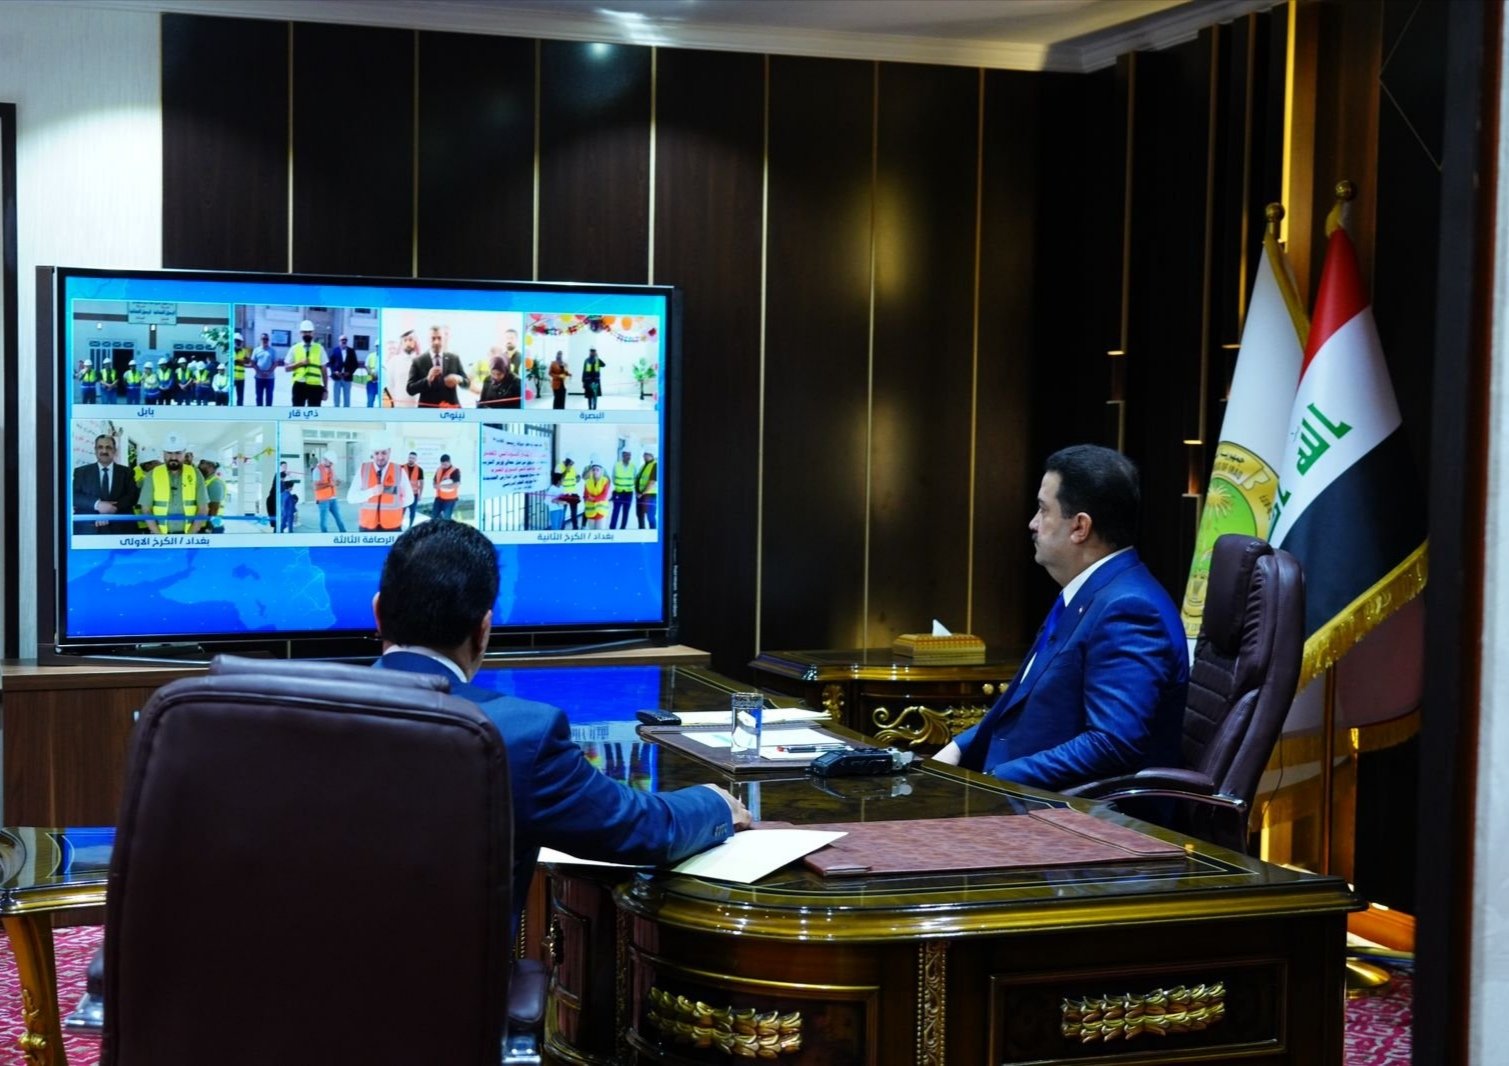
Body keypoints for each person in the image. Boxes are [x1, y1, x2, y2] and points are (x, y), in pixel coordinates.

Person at [369, 519, 749, 919]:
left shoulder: (315, 716)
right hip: (456, 963)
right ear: (483, 630)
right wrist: (714, 804)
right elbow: (640, 828)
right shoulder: (519, 735)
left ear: (378, 613)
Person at [935, 444, 1187, 790]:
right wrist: (957, 749)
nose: (1033, 523)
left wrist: (993, 783)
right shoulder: (1090, 592)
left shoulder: (1129, 609)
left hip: (1074, 812)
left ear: (1080, 527)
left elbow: (1112, 744)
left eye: (1043, 510)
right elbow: (1026, 703)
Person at [139, 432, 207, 535]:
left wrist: (190, 536)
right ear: (163, 453)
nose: (173, 457)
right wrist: (160, 536)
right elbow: (146, 510)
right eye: (169, 453)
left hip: (189, 535)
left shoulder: (195, 474)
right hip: (160, 535)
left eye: (178, 453)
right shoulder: (152, 475)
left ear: (184, 453)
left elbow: (203, 509)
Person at [72, 434, 138, 535]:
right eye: (100, 447)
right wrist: (98, 505)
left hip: (120, 529)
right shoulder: (81, 472)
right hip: (88, 529)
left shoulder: (127, 472)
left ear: (114, 450)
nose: (104, 451)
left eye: (108, 447)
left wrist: (111, 508)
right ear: (95, 450)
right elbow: (73, 496)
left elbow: (133, 495)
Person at [347, 443, 413, 532]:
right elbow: (351, 498)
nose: (380, 457)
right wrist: (372, 492)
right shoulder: (363, 469)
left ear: (389, 452)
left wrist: (396, 506)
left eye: (384, 453)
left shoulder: (399, 470)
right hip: (367, 526)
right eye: (376, 453)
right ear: (372, 453)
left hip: (392, 526)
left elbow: (410, 498)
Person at [406, 324, 468, 407]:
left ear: (444, 339)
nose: (436, 342)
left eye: (439, 338)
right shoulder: (418, 361)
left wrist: (459, 379)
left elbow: (467, 383)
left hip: (451, 410)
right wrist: (427, 380)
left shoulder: (454, 358)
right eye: (433, 338)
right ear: (428, 340)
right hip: (428, 411)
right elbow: (410, 389)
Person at [286, 319, 327, 407]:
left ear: (313, 333)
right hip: (299, 385)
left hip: (315, 386)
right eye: (305, 332)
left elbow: (324, 370)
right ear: (301, 333)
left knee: (314, 412)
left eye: (309, 332)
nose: (307, 334)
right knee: (297, 411)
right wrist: (299, 363)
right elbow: (286, 368)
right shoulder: (294, 348)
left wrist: (325, 389)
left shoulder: (320, 348)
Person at [313, 456, 346, 533]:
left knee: (339, 519)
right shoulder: (317, 470)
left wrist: (338, 482)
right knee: (324, 521)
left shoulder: (331, 469)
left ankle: (344, 534)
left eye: (332, 463)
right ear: (325, 459)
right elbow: (315, 487)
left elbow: (334, 481)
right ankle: (324, 536)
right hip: (323, 500)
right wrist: (329, 484)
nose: (331, 464)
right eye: (330, 462)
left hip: (333, 498)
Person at [197, 457, 226, 533]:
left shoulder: (215, 483)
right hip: (208, 523)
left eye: (203, 465)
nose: (200, 467)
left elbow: (214, 508)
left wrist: (209, 527)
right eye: (201, 464)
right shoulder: (205, 481)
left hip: (214, 525)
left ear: (212, 467)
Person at [329, 333, 359, 407]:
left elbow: (355, 364)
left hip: (347, 378)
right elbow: (331, 363)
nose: (344, 341)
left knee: (347, 397)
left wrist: (349, 372)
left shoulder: (351, 351)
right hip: (337, 377)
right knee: (336, 397)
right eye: (342, 340)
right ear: (339, 341)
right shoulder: (335, 350)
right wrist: (334, 371)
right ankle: (336, 411)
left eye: (345, 340)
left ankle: (346, 412)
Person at [610, 449, 635, 529]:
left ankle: (623, 528)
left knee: (626, 511)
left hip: (629, 493)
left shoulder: (633, 466)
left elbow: (635, 478)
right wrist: (619, 485)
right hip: (618, 492)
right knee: (616, 511)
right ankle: (612, 528)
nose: (628, 457)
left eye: (629, 455)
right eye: (627, 455)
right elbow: (613, 478)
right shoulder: (616, 465)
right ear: (623, 456)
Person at [431, 454, 461, 520]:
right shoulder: (439, 469)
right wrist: (434, 484)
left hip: (450, 499)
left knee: (446, 518)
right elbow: (435, 480)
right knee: (434, 516)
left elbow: (456, 484)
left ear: (449, 462)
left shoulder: (455, 471)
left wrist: (441, 486)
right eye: (442, 464)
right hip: (439, 497)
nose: (444, 466)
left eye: (445, 464)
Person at [251, 332, 278, 406]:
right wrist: (259, 372)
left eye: (266, 339)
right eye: (263, 339)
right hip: (259, 377)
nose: (265, 340)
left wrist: (268, 372)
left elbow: (275, 363)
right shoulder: (256, 350)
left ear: (268, 340)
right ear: (260, 339)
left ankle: (268, 412)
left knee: (269, 397)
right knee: (259, 396)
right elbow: (253, 363)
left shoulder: (272, 351)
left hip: (270, 378)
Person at [582, 461, 610, 529]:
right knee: (592, 532)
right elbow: (585, 495)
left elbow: (604, 495)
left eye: (597, 470)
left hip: (601, 511)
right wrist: (588, 498)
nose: (595, 471)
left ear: (601, 471)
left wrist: (593, 498)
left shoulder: (605, 481)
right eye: (593, 470)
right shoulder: (587, 482)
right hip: (590, 511)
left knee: (600, 532)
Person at [555, 457, 581, 530]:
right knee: (562, 514)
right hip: (563, 494)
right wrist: (566, 470)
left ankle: (575, 529)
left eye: (572, 463)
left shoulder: (573, 467)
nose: (571, 464)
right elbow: (558, 480)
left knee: (574, 514)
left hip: (573, 493)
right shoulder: (559, 467)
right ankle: (561, 529)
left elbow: (578, 477)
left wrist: (578, 478)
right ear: (566, 461)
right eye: (570, 463)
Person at [402, 451, 425, 529]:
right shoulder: (401, 467)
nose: (411, 459)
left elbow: (421, 483)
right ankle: (399, 526)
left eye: (413, 458)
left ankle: (410, 527)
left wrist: (420, 495)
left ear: (415, 459)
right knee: (401, 512)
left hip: (414, 495)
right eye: (410, 457)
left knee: (412, 512)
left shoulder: (419, 470)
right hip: (403, 495)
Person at [636, 450, 657, 529]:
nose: (643, 456)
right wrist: (637, 492)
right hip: (640, 495)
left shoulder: (655, 465)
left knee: (650, 517)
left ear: (650, 455)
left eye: (645, 455)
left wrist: (642, 493)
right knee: (640, 515)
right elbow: (638, 479)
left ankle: (653, 532)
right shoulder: (643, 466)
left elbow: (652, 482)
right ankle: (641, 532)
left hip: (650, 495)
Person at [231, 333, 251, 405]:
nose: (238, 342)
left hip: (241, 377)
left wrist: (238, 361)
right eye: (236, 341)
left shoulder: (244, 351)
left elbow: (248, 361)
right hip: (232, 377)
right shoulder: (230, 351)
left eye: (239, 341)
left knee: (240, 397)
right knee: (229, 395)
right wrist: (240, 361)